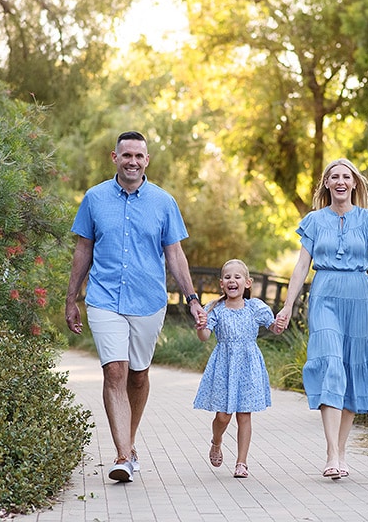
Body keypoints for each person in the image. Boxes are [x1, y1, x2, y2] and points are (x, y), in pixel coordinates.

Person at [65, 130, 205, 483]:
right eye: (126, 155)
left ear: (147, 161)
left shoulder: (163, 202)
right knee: (115, 372)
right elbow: (83, 249)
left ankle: (130, 441)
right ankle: (123, 455)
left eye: (138, 156)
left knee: (138, 375)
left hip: (148, 301)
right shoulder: (94, 199)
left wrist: (191, 299)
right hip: (104, 297)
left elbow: (175, 254)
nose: (132, 161)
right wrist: (71, 297)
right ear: (114, 158)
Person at [276, 158, 368, 480]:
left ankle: (342, 452)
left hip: (359, 298)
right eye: (334, 177)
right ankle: (331, 452)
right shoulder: (314, 221)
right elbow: (302, 267)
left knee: (351, 372)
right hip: (325, 295)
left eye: (346, 177)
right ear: (327, 184)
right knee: (330, 363)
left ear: (355, 183)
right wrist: (288, 306)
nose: (341, 181)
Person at [193, 259, 285, 478]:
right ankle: (216, 441)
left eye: (237, 277)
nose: (232, 280)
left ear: (248, 283)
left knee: (244, 415)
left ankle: (241, 462)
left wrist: (278, 325)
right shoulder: (215, 308)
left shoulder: (255, 307)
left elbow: (273, 327)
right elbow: (205, 336)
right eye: (227, 277)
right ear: (221, 284)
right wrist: (201, 326)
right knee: (223, 416)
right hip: (224, 365)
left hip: (248, 365)